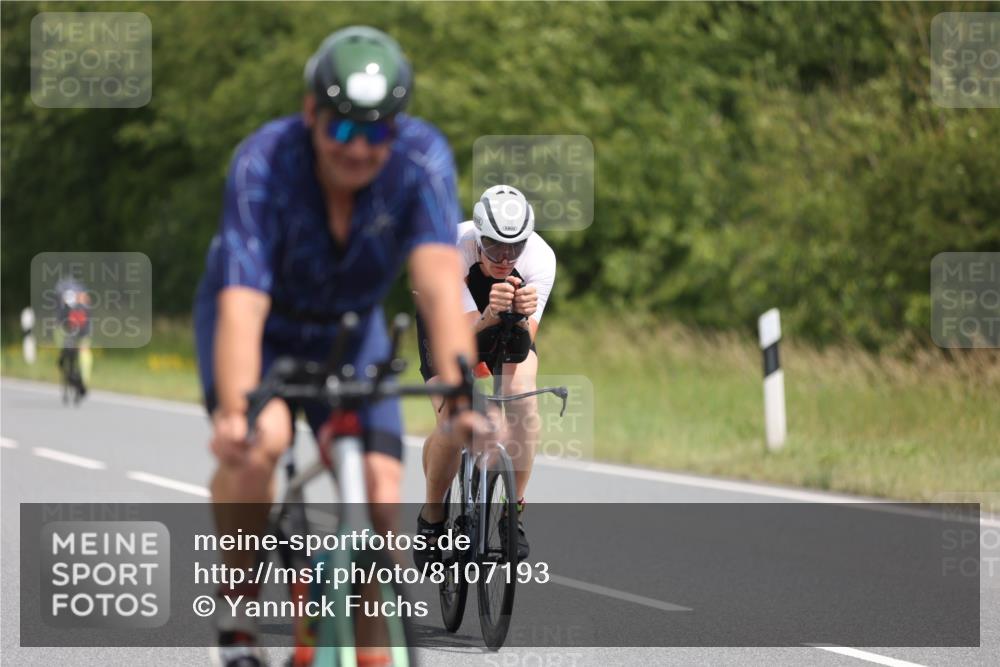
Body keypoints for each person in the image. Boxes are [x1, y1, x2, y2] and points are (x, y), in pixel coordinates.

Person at [192, 26, 479, 667]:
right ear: (310, 112)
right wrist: (237, 411)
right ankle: (238, 616)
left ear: (397, 130)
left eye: (376, 132)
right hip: (262, 327)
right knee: (259, 442)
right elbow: (243, 301)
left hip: (351, 325)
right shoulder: (264, 161)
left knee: (380, 491)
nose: (358, 149)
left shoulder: (422, 159)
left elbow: (437, 283)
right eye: (342, 129)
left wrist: (462, 387)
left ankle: (373, 651)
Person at [415, 185, 556, 563]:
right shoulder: (450, 249)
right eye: (494, 246)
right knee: (455, 415)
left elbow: (524, 346)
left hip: (502, 318)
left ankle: (513, 511)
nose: (505, 257)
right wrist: (488, 316)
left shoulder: (541, 259)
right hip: (446, 319)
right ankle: (432, 517)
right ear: (478, 236)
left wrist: (522, 317)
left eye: (515, 247)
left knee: (525, 402)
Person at [54, 277, 92, 399]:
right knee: (64, 349)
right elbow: (59, 325)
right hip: (65, 329)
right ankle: (63, 362)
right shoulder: (62, 306)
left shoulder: (84, 305)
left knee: (84, 352)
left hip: (81, 330)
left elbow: (86, 325)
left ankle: (84, 382)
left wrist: (83, 341)